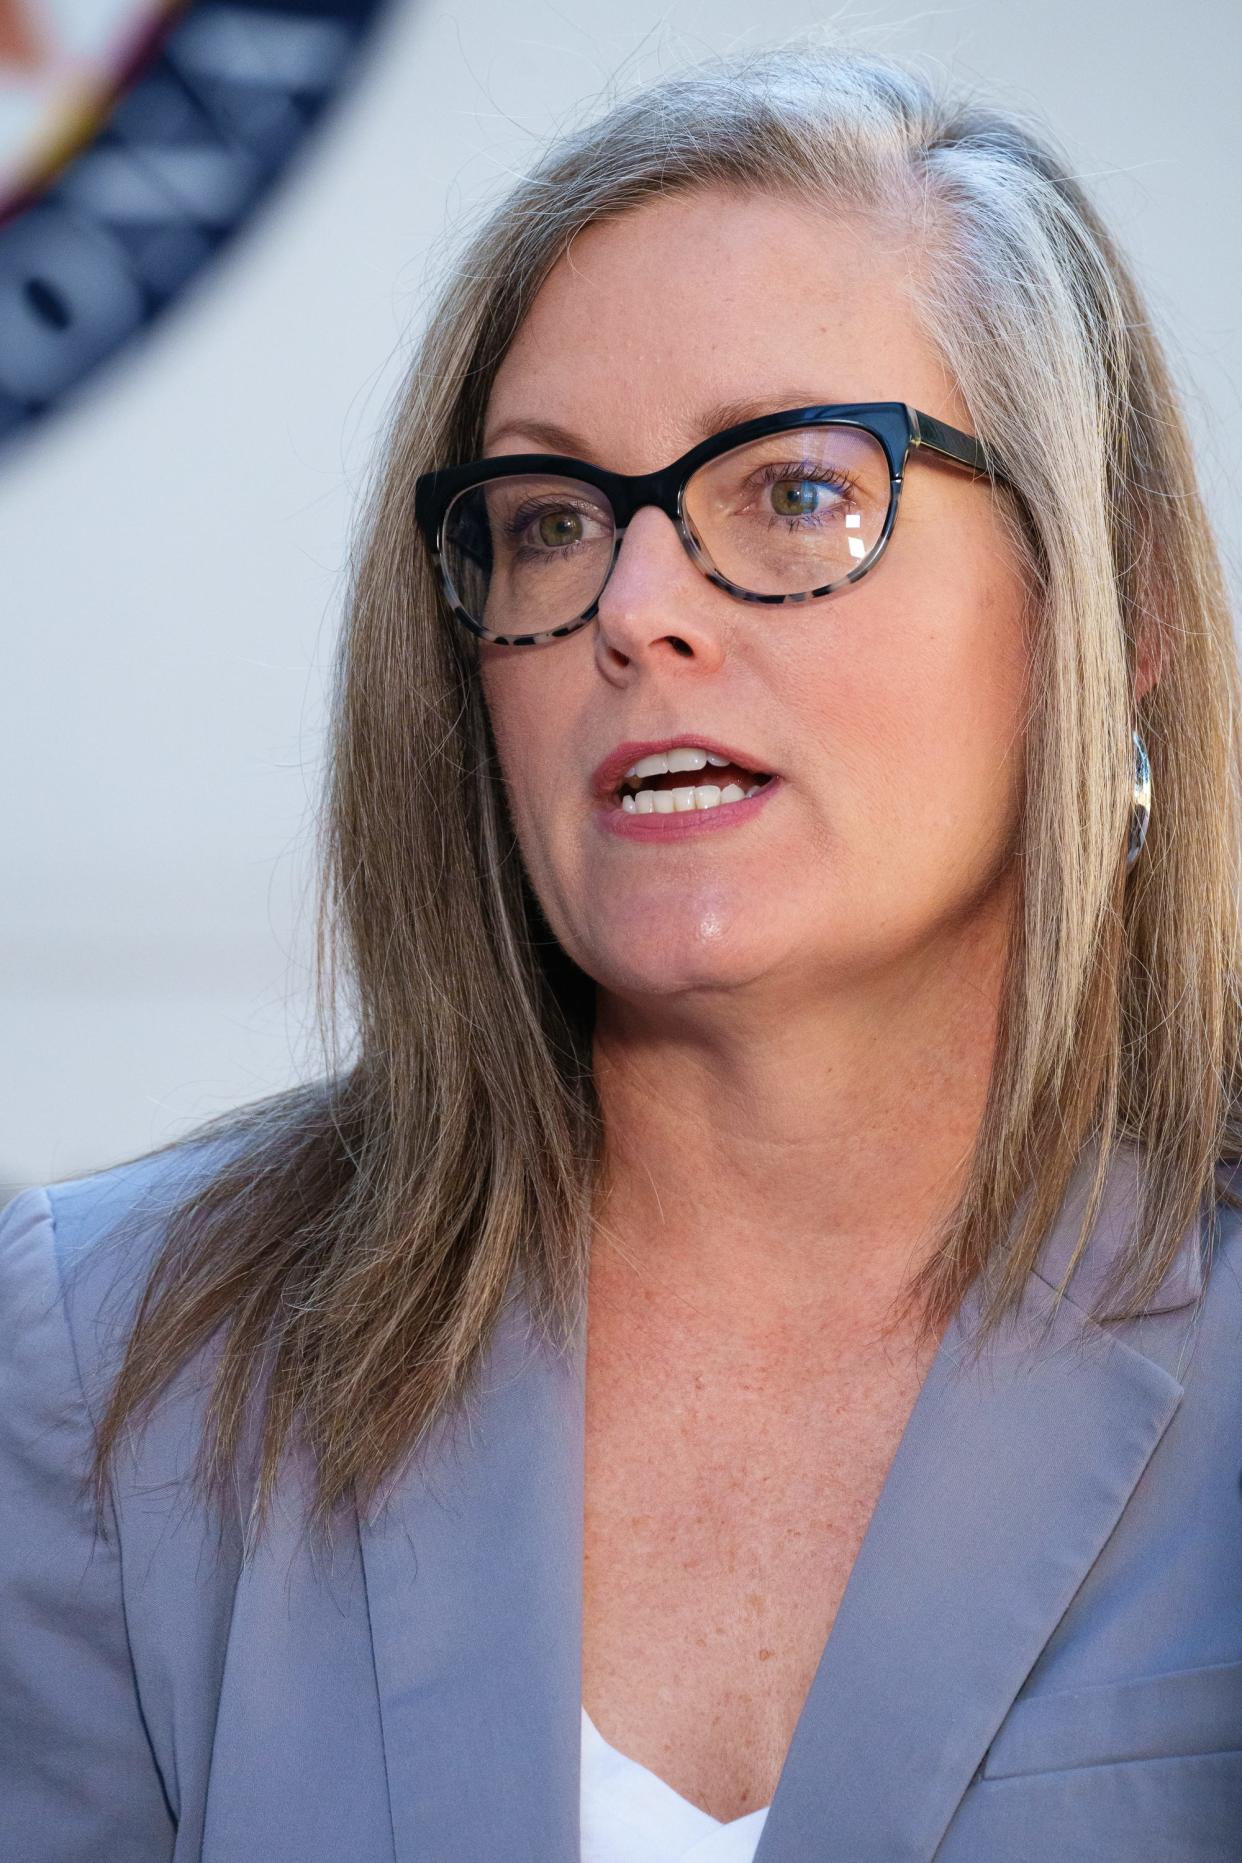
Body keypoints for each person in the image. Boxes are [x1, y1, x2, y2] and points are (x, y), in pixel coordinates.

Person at [3, 37, 1242, 1863]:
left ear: (1117, 611)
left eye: (799, 493)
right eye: (550, 523)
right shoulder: (102, 1368)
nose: (637, 611)